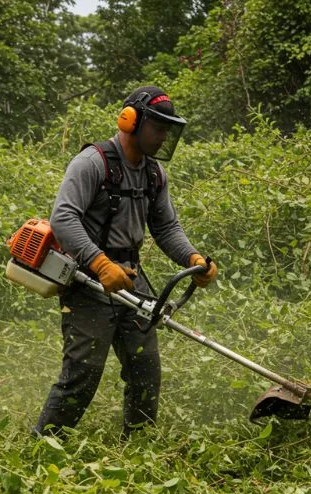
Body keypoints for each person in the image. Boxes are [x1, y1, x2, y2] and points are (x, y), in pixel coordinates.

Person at [32, 85, 218, 438]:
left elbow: (166, 226)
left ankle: (139, 446)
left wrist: (193, 257)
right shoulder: (92, 163)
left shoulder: (153, 174)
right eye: (158, 127)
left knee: (145, 371)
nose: (163, 136)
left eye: (167, 130)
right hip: (88, 280)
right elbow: (64, 218)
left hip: (132, 281)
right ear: (130, 120)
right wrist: (100, 264)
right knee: (82, 375)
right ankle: (42, 447)